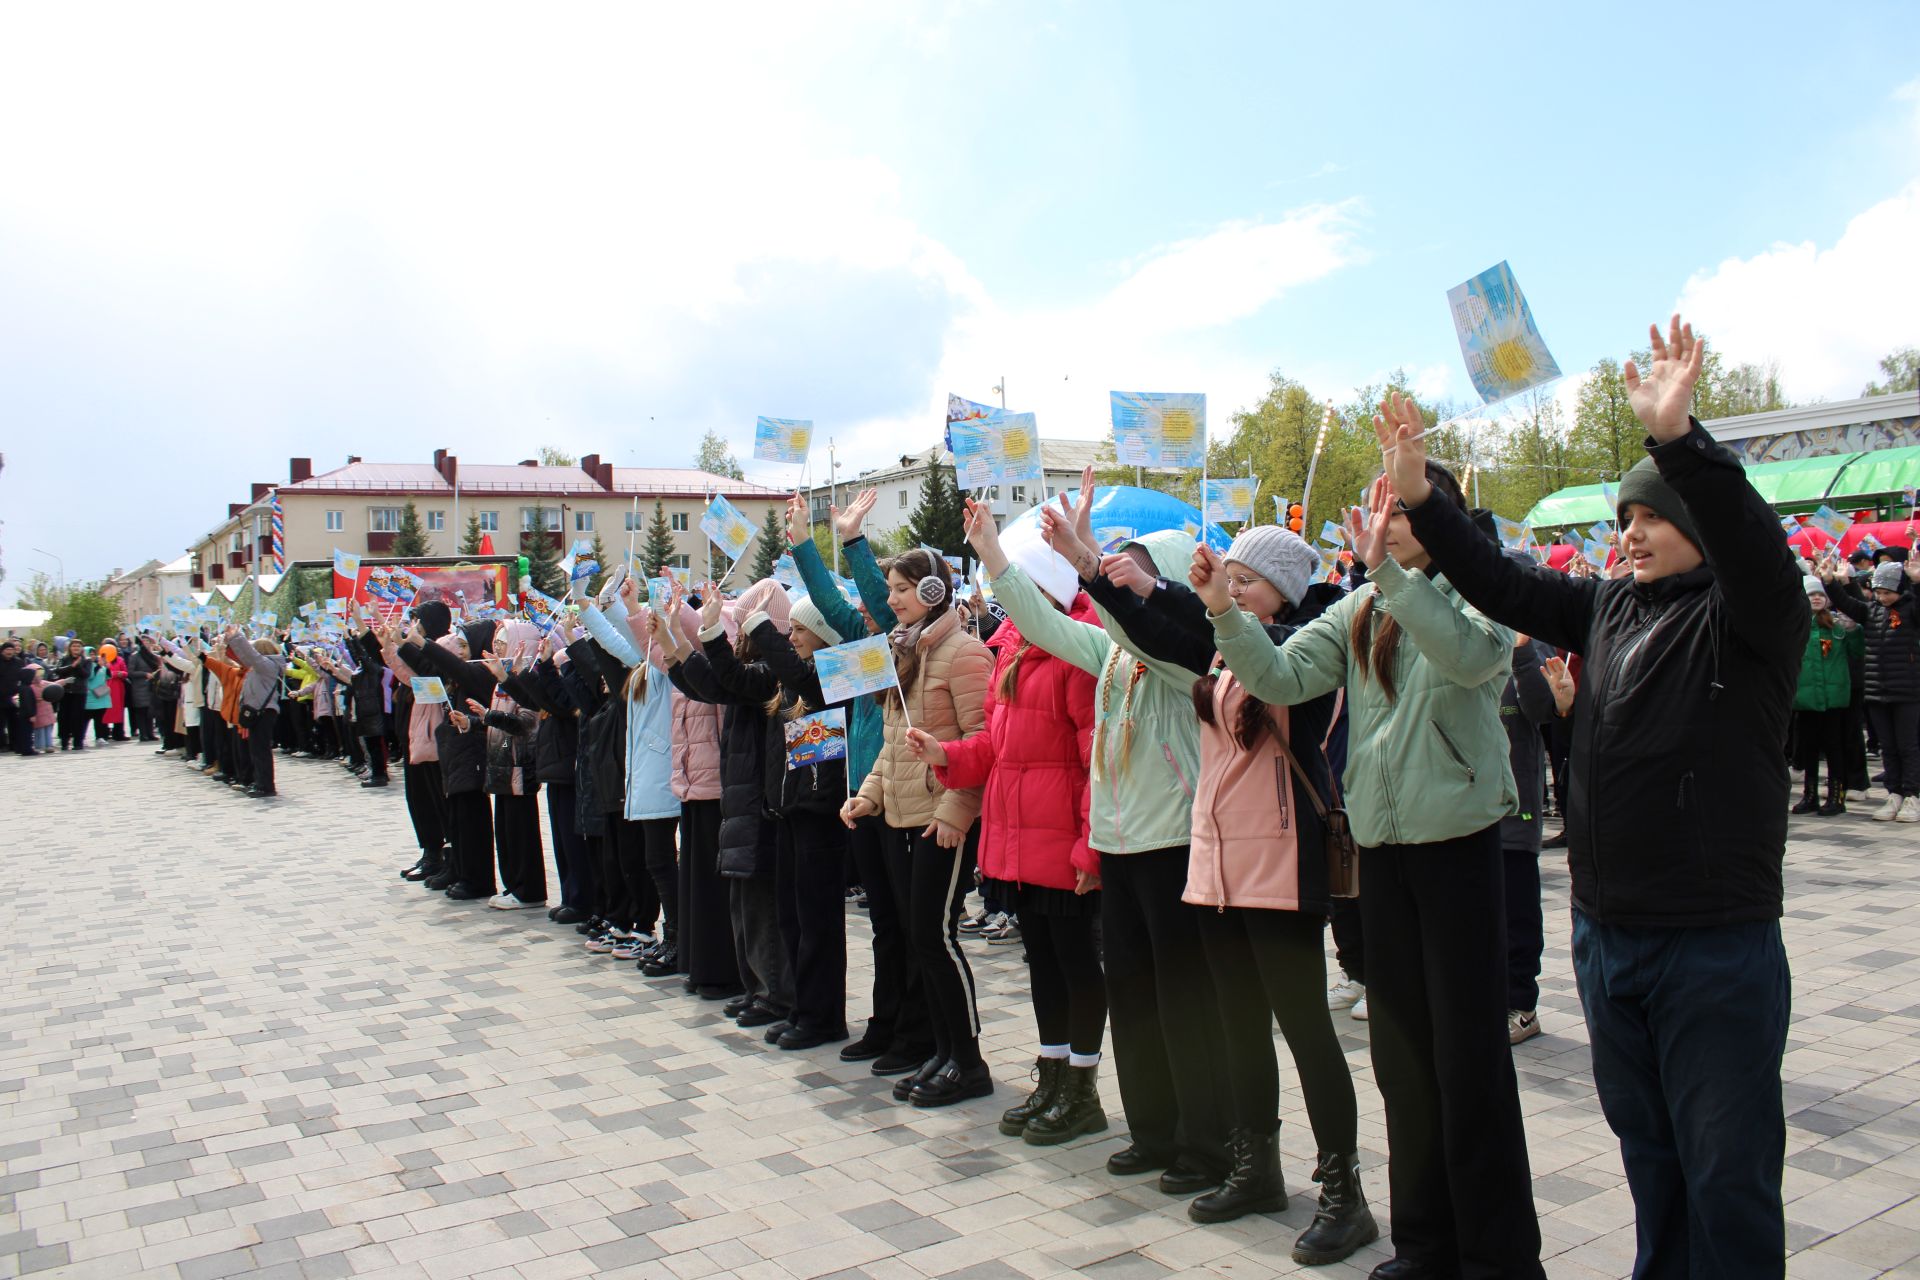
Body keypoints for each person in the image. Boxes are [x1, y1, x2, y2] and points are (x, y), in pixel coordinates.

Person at [1379, 316, 1805, 1280]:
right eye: (1622, 520)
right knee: (1652, 1160)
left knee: (1727, 1173)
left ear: (1693, 524)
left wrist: (1679, 441)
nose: (1630, 534)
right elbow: (1500, 581)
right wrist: (1422, 502)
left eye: (1649, 517)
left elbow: (1754, 546)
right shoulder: (1610, 607)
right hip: (1609, 939)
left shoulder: (1751, 618)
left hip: (1714, 944)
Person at [1204, 461, 1541, 1278]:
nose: (1379, 521)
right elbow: (1281, 676)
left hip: (1459, 849)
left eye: (1398, 509)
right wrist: (1223, 611)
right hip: (1383, 856)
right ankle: (1424, 1244)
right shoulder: (1361, 606)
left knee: (1469, 1064)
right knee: (1401, 1061)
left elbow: (1465, 660)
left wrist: (1390, 576)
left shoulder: (1484, 593)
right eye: (1379, 509)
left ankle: (1497, 1257)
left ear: (1438, 522)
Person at [1047, 498, 1378, 1263]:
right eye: (1225, 579)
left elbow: (1257, 659)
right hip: (1219, 863)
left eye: (1244, 583)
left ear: (1281, 594)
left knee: (1305, 1030)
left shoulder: (1303, 647)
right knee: (1238, 1024)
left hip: (1282, 860)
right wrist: (1092, 568)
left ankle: (1343, 1190)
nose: (1227, 592)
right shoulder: (1225, 645)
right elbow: (1160, 634)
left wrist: (1190, 600)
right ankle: (1254, 1166)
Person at [967, 506, 1234, 1195]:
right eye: (1120, 569)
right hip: (1119, 844)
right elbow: (1046, 626)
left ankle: (1204, 1144)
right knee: (1133, 995)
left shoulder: (1182, 663)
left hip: (1171, 841)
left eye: (1139, 571)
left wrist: (1091, 565)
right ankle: (1151, 1132)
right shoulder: (1110, 652)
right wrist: (996, 558)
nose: (1121, 581)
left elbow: (1138, 630)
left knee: (1182, 999)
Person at [904, 523, 1108, 1144]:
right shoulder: (1012, 648)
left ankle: (1082, 1086)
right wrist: (946, 752)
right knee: (1040, 961)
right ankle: (1051, 1072)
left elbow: (1094, 756)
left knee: (1075, 963)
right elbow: (996, 745)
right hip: (1020, 837)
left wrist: (1088, 848)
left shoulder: (1078, 650)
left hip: (1062, 839)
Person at [839, 546, 993, 1107]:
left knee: (937, 936)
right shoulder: (903, 654)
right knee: (920, 938)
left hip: (941, 818)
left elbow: (982, 741)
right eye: (890, 589)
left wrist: (956, 811)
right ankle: (943, 1051)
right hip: (902, 815)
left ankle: (968, 1060)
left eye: (902, 589)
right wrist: (867, 797)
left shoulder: (965, 653)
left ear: (932, 591)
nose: (892, 599)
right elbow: (893, 748)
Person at [785, 490, 931, 1074]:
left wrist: (852, 541)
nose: (878, 607)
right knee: (884, 923)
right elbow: (830, 606)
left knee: (907, 923)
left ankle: (915, 1031)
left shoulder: (908, 651)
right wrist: (802, 543)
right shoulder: (869, 654)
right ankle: (887, 1022)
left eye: (897, 595)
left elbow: (865, 597)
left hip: (910, 800)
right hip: (867, 797)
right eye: (883, 595)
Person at [1822, 557, 1920, 822]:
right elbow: (1847, 604)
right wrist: (1831, 582)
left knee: (1908, 746)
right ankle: (1894, 793)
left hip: (1908, 692)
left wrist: (1917, 582)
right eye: (1878, 592)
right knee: (1888, 746)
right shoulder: (1872, 610)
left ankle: (1913, 795)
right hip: (1877, 691)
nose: (1882, 597)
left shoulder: (1911, 609)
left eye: (1887, 592)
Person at [1793, 573, 1864, 817]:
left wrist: (1854, 631)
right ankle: (1809, 794)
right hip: (1806, 698)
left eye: (1820, 594)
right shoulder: (1796, 626)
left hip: (1834, 698)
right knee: (1808, 747)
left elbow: (1857, 653)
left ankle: (1837, 796)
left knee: (1835, 747)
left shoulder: (1837, 626)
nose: (1815, 599)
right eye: (1811, 594)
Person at [223, 627, 287, 798]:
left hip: (264, 711)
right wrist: (229, 641)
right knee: (256, 749)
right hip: (258, 711)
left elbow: (250, 655)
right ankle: (260, 782)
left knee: (261, 750)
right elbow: (241, 656)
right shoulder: (261, 666)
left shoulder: (268, 665)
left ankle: (266, 786)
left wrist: (237, 636)